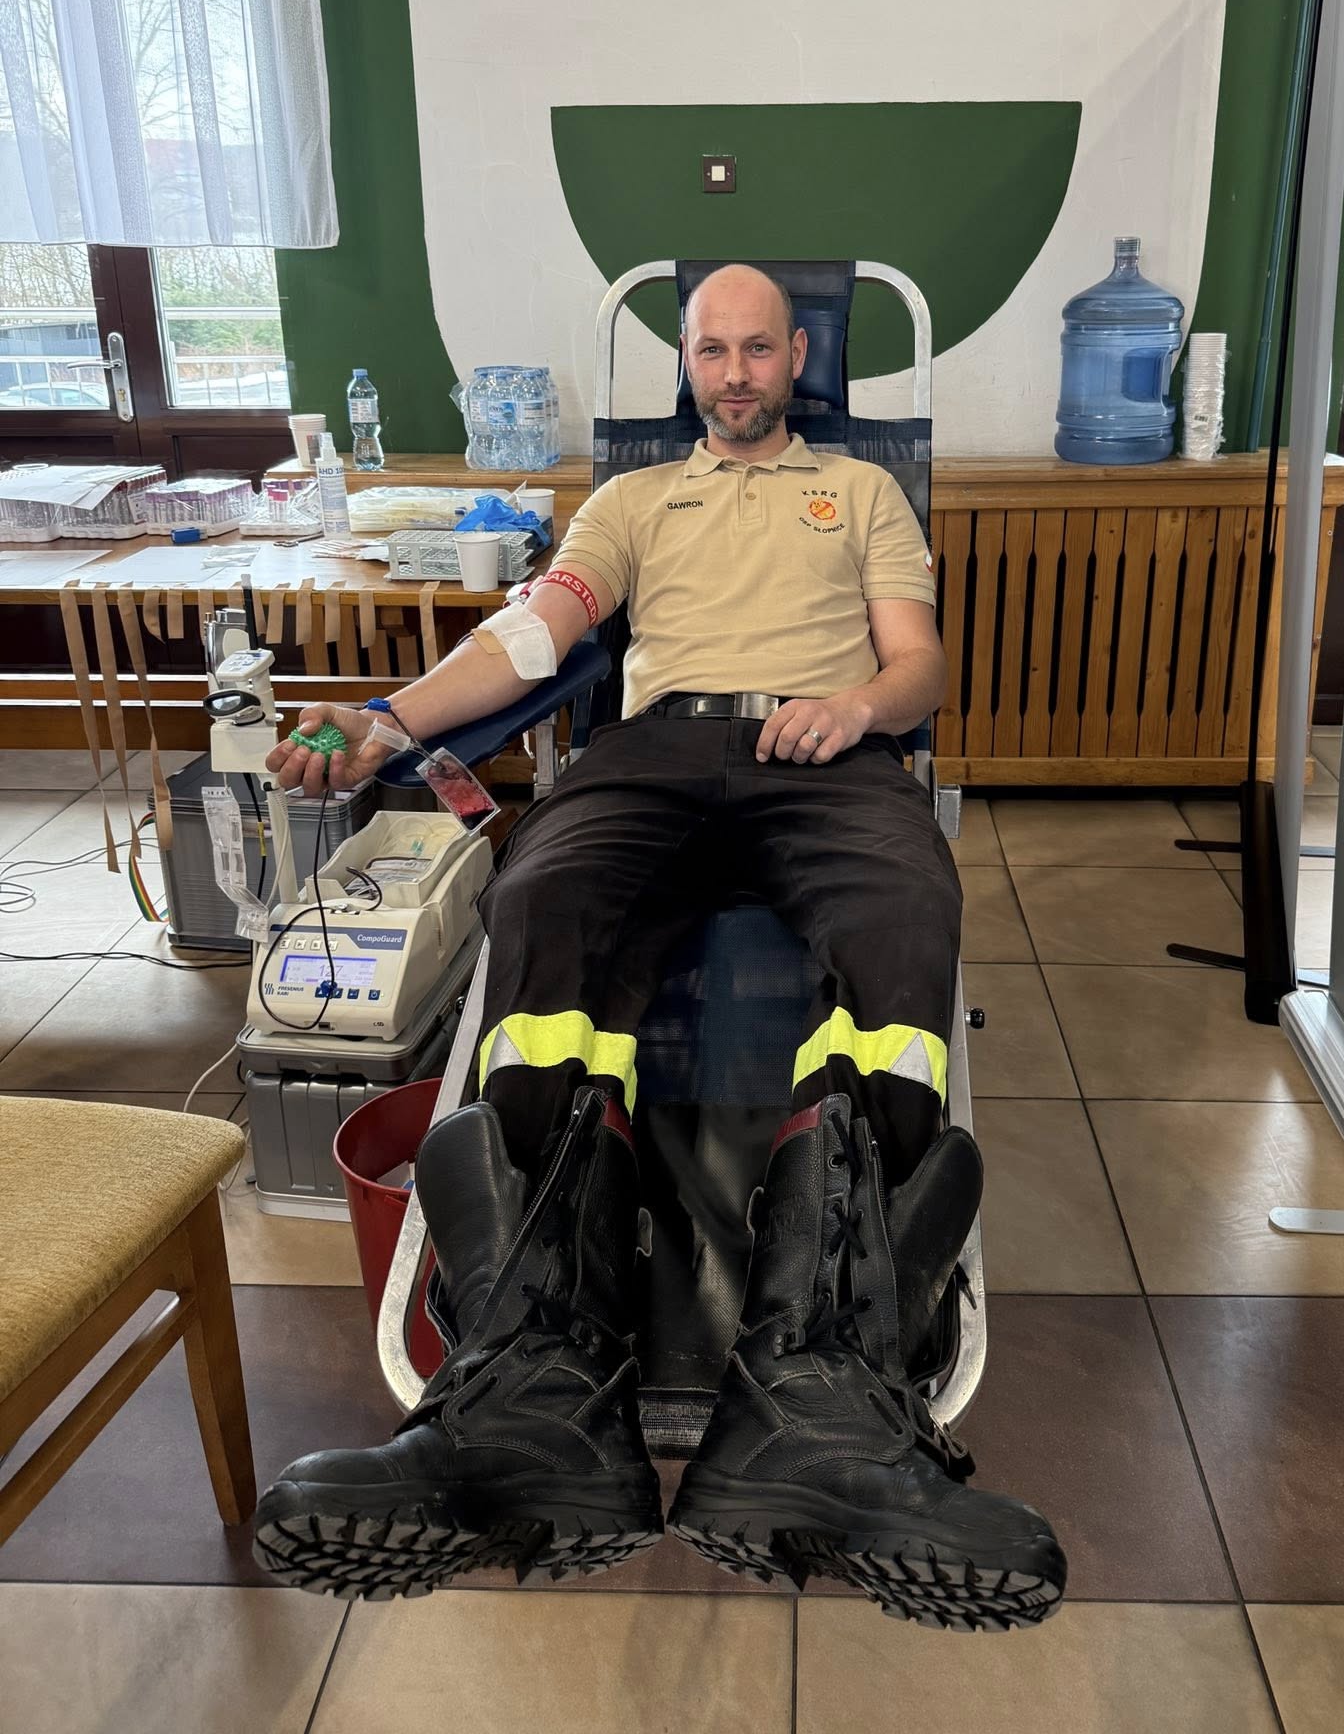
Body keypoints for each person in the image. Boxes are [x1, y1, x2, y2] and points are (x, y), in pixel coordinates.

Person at [252, 264, 1065, 1630]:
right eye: (711, 350)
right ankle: (536, 1378)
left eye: (759, 348)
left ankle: (827, 1382)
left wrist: (861, 710)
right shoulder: (630, 500)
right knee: (540, 903)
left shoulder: (862, 490)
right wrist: (389, 720)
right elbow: (533, 638)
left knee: (908, 913)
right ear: (684, 364)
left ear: (799, 357)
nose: (735, 372)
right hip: (652, 751)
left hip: (825, 752)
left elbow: (918, 663)